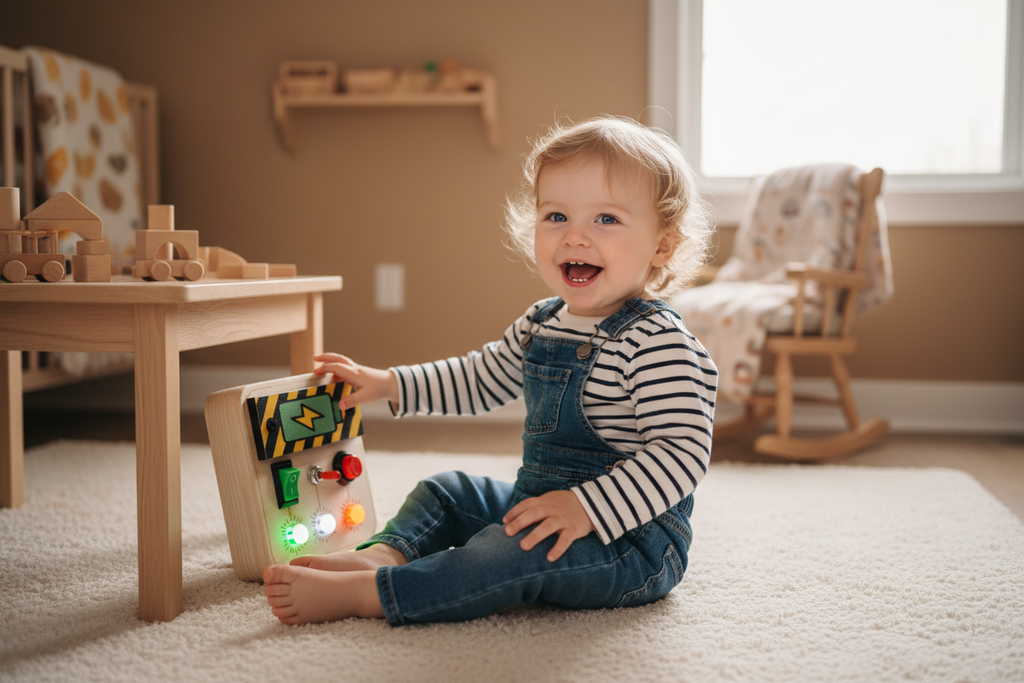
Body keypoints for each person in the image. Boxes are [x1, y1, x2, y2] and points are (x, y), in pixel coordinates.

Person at [263, 115, 718, 626]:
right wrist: (389, 384)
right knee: (446, 490)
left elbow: (681, 453)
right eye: (556, 216)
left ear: (663, 245)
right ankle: (385, 554)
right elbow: (480, 377)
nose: (575, 237)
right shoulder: (542, 322)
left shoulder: (657, 341)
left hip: (630, 544)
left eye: (606, 219)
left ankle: (376, 593)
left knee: (505, 555)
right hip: (540, 505)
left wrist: (585, 508)